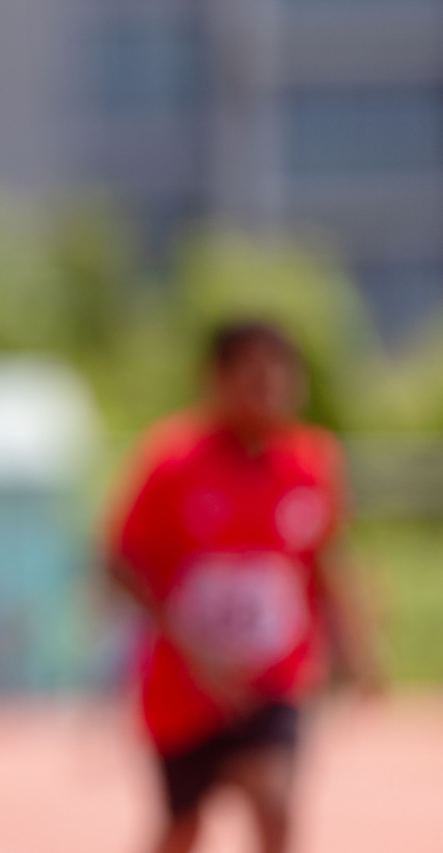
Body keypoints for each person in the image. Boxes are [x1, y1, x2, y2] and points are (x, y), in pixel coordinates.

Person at [105, 319, 382, 853]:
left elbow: (325, 560)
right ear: (217, 378)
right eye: (252, 374)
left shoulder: (312, 462)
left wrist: (358, 648)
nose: (269, 388)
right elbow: (119, 564)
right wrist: (195, 652)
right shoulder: (171, 462)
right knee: (183, 827)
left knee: (274, 802)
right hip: (183, 687)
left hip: (274, 678)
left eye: (280, 374)